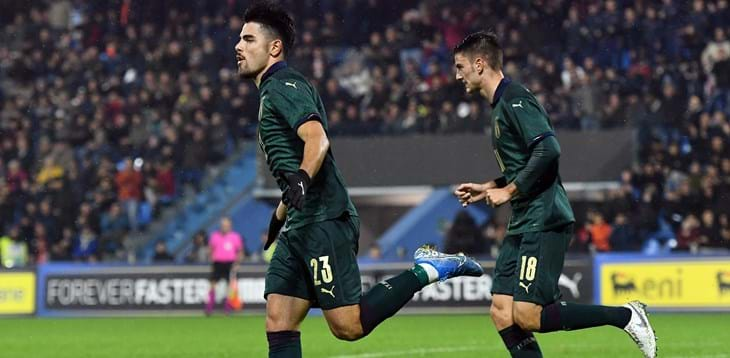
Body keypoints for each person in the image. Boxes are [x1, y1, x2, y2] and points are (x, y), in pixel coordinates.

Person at [235, 3, 483, 356]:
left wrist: (303, 180)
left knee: (348, 326)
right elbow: (293, 173)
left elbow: (317, 139)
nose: (238, 47)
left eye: (248, 39)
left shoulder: (283, 85)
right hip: (299, 224)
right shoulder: (272, 91)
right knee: (279, 319)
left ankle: (429, 269)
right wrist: (279, 216)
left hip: (324, 219)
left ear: (274, 48)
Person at [451, 31, 656, 358]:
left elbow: (548, 149)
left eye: (460, 66)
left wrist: (509, 190)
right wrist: (490, 186)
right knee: (502, 311)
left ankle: (626, 315)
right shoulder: (501, 105)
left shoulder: (516, 98)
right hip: (523, 219)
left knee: (528, 315)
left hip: (543, 216)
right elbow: (525, 162)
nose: (456, 74)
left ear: (479, 64)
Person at [206, 217, 244, 316]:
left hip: (230, 263)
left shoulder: (235, 237)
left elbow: (240, 251)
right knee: (213, 284)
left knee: (229, 286)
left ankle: (227, 308)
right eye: (223, 225)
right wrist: (211, 259)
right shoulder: (215, 236)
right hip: (218, 263)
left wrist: (237, 263)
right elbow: (210, 249)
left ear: (230, 226)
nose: (224, 227)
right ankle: (209, 307)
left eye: (226, 225)